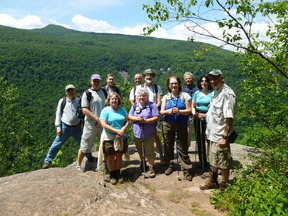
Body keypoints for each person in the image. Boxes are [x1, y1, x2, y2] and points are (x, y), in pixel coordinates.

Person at [199, 69, 236, 190]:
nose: (213, 81)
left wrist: (225, 136)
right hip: (212, 133)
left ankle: (224, 186)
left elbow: (229, 117)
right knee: (213, 159)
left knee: (223, 162)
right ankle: (213, 180)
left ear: (222, 78)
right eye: (211, 79)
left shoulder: (226, 93)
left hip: (220, 135)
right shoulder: (216, 92)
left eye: (216, 78)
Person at [160, 76, 193, 181]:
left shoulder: (185, 96)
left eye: (175, 83)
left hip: (181, 123)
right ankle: (169, 165)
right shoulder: (165, 97)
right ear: (168, 85)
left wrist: (179, 111)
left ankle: (186, 169)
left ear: (179, 84)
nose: (173, 85)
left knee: (182, 147)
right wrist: (169, 111)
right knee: (168, 145)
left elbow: (189, 110)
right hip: (168, 123)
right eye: (171, 83)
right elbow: (162, 112)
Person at [42, 84, 82, 169]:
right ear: (66, 92)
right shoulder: (62, 101)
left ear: (74, 91)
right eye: (68, 91)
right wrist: (58, 127)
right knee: (56, 144)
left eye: (72, 90)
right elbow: (58, 114)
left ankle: (89, 157)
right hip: (65, 127)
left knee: (84, 143)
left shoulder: (79, 101)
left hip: (77, 127)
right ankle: (47, 161)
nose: (70, 92)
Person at [76, 74, 106, 171]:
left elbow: (107, 106)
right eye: (94, 81)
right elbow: (85, 110)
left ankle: (104, 164)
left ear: (100, 82)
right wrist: (97, 119)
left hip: (103, 123)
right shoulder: (87, 93)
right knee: (85, 145)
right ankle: (78, 165)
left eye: (98, 81)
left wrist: (102, 121)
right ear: (91, 81)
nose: (96, 83)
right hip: (90, 124)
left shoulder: (104, 92)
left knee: (105, 144)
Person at [128, 87, 159, 178]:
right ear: (137, 96)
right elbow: (129, 116)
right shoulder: (135, 106)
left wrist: (146, 121)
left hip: (148, 133)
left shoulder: (152, 106)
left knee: (149, 151)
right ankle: (143, 164)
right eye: (140, 95)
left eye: (144, 96)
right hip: (137, 133)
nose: (141, 97)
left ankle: (151, 167)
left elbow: (156, 117)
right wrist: (137, 118)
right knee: (140, 151)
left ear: (147, 96)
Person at [100, 92, 129, 185]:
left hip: (121, 136)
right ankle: (112, 174)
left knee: (119, 155)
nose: (114, 100)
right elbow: (103, 124)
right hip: (109, 137)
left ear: (118, 100)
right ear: (109, 100)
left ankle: (118, 173)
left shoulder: (122, 110)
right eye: (112, 99)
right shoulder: (105, 111)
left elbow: (127, 121)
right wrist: (117, 131)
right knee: (111, 156)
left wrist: (122, 130)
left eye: (116, 99)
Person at [136, 69, 164, 162]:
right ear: (144, 77)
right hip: (142, 115)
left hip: (153, 114)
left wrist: (152, 110)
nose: (149, 77)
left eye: (150, 75)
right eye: (147, 75)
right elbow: (137, 101)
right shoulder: (139, 87)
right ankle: (146, 158)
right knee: (142, 135)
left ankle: (161, 154)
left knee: (156, 135)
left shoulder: (157, 87)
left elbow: (159, 101)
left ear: (153, 77)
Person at [192, 75, 214, 169]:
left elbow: (214, 107)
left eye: (205, 81)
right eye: (202, 81)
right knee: (199, 140)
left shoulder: (213, 93)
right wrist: (194, 113)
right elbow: (193, 106)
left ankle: (212, 162)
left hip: (210, 117)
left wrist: (206, 115)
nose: (203, 83)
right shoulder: (196, 93)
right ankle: (203, 162)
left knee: (210, 140)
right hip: (198, 117)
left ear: (209, 82)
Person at [182, 72, 198, 147]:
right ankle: (186, 147)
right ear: (184, 80)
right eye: (186, 79)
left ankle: (200, 147)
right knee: (188, 132)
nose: (188, 80)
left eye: (189, 78)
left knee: (199, 132)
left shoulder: (198, 89)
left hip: (197, 113)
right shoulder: (182, 89)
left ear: (193, 79)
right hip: (187, 114)